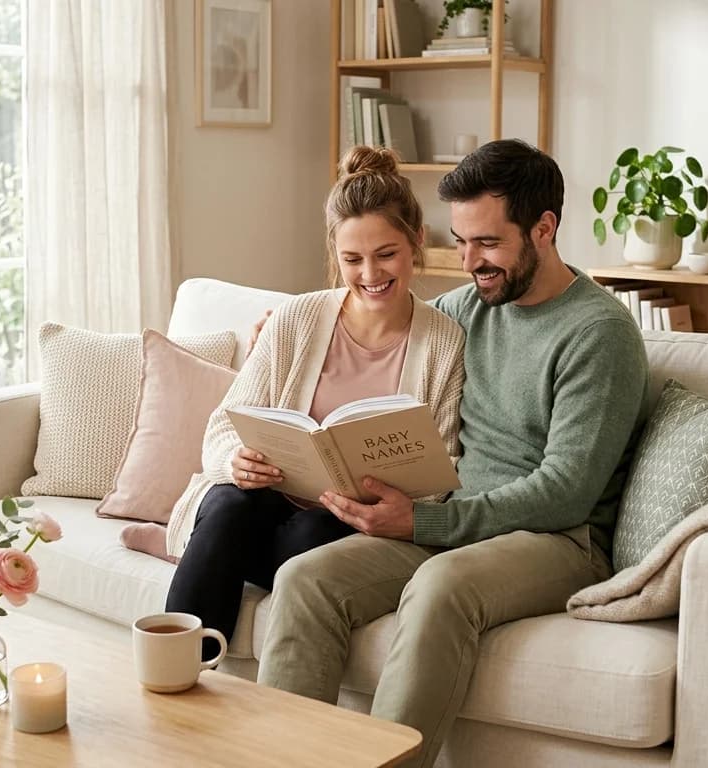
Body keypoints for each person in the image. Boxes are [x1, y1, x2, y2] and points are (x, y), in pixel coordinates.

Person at [255, 139, 650, 768]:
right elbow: (379, 325)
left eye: (488, 243)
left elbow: (567, 491)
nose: (470, 262)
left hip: (558, 539)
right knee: (305, 580)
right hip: (457, 519)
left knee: (441, 586)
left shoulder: (599, 335)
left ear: (544, 229)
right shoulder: (469, 307)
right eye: (461, 241)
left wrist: (426, 521)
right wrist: (288, 327)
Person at [161, 146, 466, 661]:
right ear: (335, 255)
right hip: (259, 503)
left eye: (386, 254)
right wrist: (236, 458)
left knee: (314, 528)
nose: (370, 273)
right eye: (352, 259)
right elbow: (222, 427)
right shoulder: (294, 319)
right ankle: (174, 671)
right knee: (231, 503)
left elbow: (446, 464)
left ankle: (205, 559)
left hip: (343, 522)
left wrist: (400, 501)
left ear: (417, 242)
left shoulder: (444, 342)